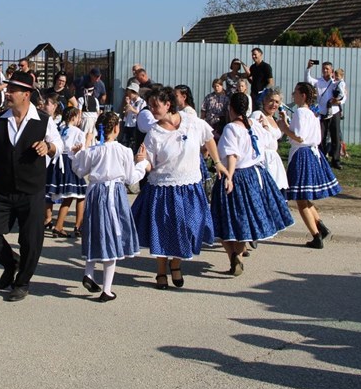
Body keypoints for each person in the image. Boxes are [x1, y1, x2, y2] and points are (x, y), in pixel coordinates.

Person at [0, 71, 64, 302]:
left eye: (12, 90)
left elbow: (59, 145)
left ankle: (22, 282)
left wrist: (48, 147)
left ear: (26, 94)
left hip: (32, 190)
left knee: (31, 240)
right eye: (8, 89)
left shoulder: (43, 120)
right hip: (3, 190)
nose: (7, 93)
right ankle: (11, 262)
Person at [131, 87, 228, 290]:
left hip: (190, 187)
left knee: (189, 229)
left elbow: (208, 137)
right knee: (163, 230)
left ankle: (175, 263)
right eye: (150, 106)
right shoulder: (153, 133)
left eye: (155, 105)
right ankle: (161, 271)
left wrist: (218, 162)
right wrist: (141, 161)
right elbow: (150, 163)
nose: (152, 110)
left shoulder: (192, 122)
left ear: (168, 104)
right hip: (164, 189)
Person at [210, 93, 294, 276]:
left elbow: (232, 155)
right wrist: (265, 127)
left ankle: (233, 256)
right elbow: (270, 143)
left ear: (231, 108)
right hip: (255, 175)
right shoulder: (254, 124)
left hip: (237, 175)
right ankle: (238, 256)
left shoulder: (232, 128)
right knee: (244, 219)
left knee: (223, 219)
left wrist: (229, 177)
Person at [71, 111, 148, 302]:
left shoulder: (93, 151)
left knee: (95, 231)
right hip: (114, 195)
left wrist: (76, 154)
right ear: (116, 128)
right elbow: (131, 178)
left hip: (94, 194)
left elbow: (79, 171)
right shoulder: (123, 151)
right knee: (112, 236)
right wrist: (142, 163)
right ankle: (107, 289)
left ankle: (89, 273)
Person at [277, 82, 341, 250]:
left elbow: (299, 137)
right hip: (312, 153)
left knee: (300, 198)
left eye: (296, 92)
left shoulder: (300, 112)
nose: (293, 95)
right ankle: (319, 225)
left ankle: (315, 235)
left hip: (302, 155)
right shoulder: (311, 113)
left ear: (303, 95)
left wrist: (284, 127)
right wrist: (286, 123)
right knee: (303, 196)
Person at [46, 107, 87, 239]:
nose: (80, 120)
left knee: (75, 194)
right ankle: (69, 226)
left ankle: (73, 225)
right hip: (69, 163)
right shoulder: (78, 132)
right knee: (76, 194)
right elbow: (82, 151)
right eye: (79, 117)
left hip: (58, 161)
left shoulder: (60, 129)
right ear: (74, 117)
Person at [305, 60, 345, 169]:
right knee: (321, 136)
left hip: (334, 111)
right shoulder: (319, 81)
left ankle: (336, 160)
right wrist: (308, 68)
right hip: (322, 112)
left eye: (327, 69)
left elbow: (344, 94)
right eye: (323, 68)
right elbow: (308, 80)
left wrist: (339, 101)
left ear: (332, 70)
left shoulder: (336, 82)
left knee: (335, 136)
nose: (325, 70)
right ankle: (322, 158)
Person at [250, 88, 288, 192]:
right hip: (263, 158)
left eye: (277, 102)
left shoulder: (274, 119)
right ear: (264, 101)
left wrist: (284, 123)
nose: (274, 104)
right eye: (271, 101)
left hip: (274, 159)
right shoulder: (258, 114)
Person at [118, 81, 145, 152]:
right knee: (125, 143)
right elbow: (126, 114)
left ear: (134, 92)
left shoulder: (142, 102)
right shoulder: (130, 102)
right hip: (127, 124)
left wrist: (132, 109)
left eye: (129, 93)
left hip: (135, 125)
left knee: (133, 144)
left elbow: (143, 114)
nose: (128, 95)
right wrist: (127, 106)